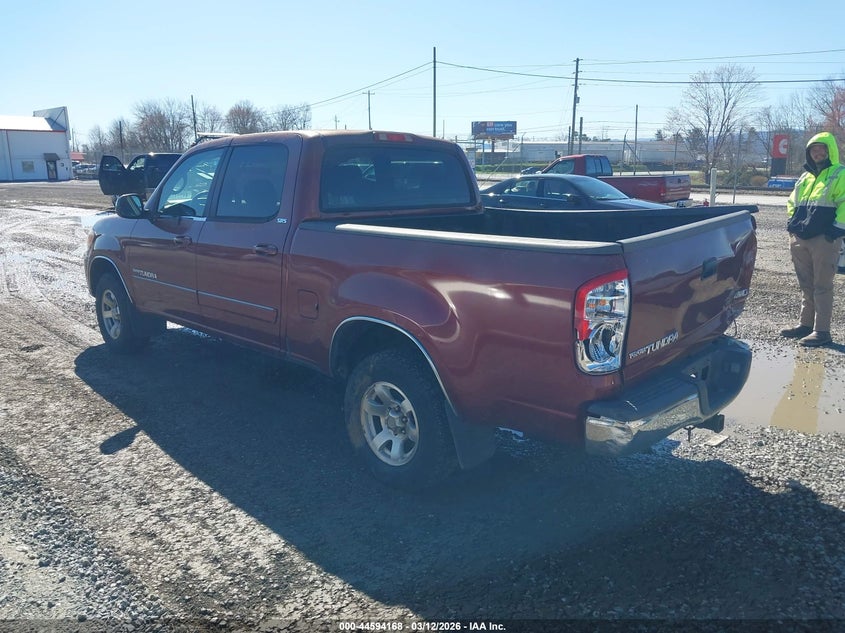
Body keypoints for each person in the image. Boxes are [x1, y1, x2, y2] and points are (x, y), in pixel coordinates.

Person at [780, 132, 845, 347]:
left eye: (822, 148)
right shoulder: (805, 177)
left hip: (824, 239)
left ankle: (822, 331)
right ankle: (805, 325)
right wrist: (792, 226)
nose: (818, 152)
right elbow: (792, 202)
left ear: (830, 151)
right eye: (813, 149)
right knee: (806, 285)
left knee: (822, 285)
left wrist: (836, 230)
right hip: (801, 239)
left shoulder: (839, 174)